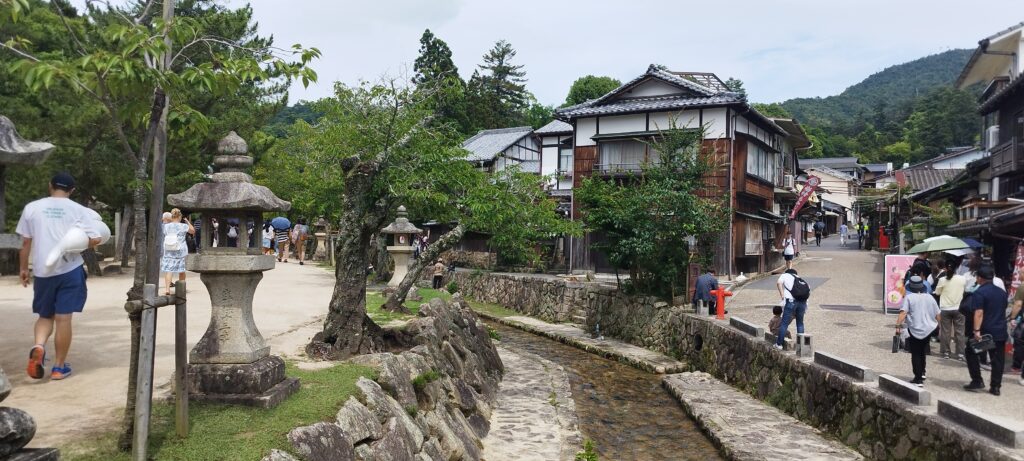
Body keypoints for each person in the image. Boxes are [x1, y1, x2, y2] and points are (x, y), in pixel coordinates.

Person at [17, 173, 104, 380]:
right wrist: (77, 243)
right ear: (72, 190)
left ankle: (39, 346)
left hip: (43, 271)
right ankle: (58, 367)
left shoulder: (32, 208)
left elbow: (26, 243)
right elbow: (96, 238)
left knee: (45, 316)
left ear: (50, 185)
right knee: (63, 319)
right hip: (69, 270)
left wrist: (23, 269)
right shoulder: (78, 209)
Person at [963, 264, 1008, 396]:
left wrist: (976, 331)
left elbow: (979, 313)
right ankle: (996, 386)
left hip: (985, 332)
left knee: (970, 351)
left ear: (979, 278)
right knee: (998, 359)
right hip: (1000, 330)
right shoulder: (1002, 293)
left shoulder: (980, 292)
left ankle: (977, 380)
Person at [896, 276, 940, 386]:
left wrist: (897, 326)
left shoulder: (909, 298)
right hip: (928, 329)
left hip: (915, 328)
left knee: (915, 353)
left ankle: (918, 378)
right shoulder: (930, 297)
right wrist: (941, 327)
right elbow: (938, 314)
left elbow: (903, 313)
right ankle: (923, 372)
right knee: (923, 351)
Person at [934, 260, 967, 360]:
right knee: (960, 332)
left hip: (945, 308)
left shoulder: (942, 280)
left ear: (945, 268)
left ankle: (946, 352)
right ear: (956, 268)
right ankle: (960, 353)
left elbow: (937, 293)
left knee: (945, 331)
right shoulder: (962, 279)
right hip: (959, 308)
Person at [161, 208, 195, 296]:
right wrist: (187, 221)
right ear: (180, 216)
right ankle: (181, 289)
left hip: (169, 249)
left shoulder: (166, 226)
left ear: (172, 216)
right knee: (181, 270)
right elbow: (192, 231)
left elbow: (165, 233)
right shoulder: (183, 226)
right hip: (180, 250)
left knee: (169, 270)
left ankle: (167, 289)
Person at [775, 269, 808, 349]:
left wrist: (782, 295)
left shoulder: (785, 275)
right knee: (800, 323)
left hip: (791, 301)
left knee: (784, 323)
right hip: (802, 303)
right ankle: (801, 346)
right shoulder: (800, 280)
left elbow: (779, 283)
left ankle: (779, 344)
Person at [1008, 273, 1024, 382]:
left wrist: (1012, 318)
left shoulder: (1022, 286)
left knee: (1020, 342)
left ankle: (1016, 366)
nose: (1019, 275)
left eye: (1021, 273)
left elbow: (1018, 304)